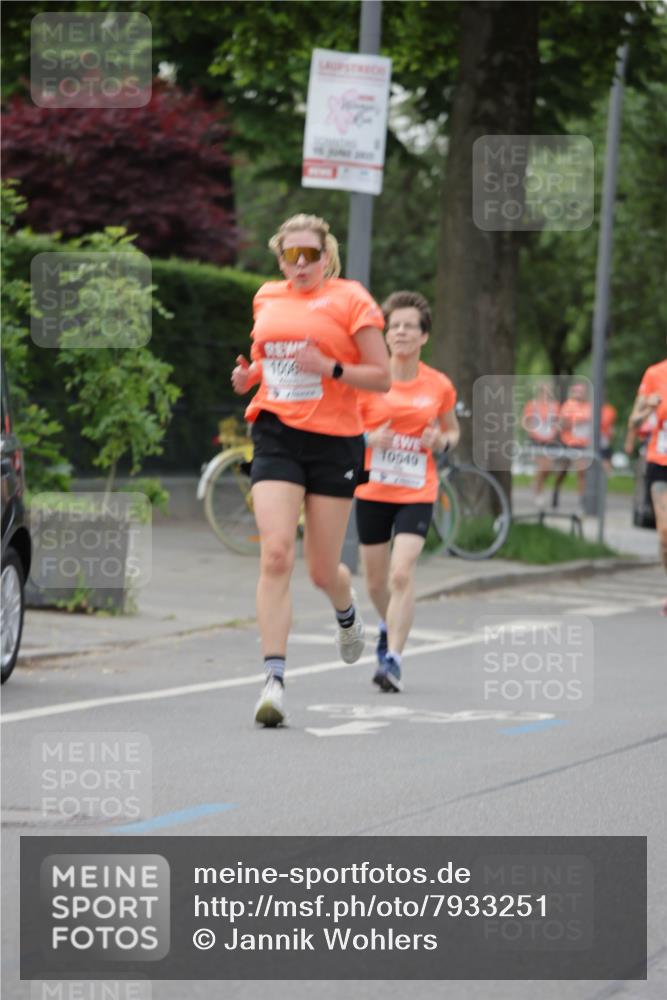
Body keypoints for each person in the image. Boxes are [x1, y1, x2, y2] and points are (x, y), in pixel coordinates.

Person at [231, 213, 390, 727]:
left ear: (328, 257)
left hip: (335, 442)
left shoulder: (351, 299)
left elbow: (382, 377)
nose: (301, 264)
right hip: (277, 432)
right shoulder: (266, 297)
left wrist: (329, 368)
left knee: (322, 570)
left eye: (311, 255)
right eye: (291, 255)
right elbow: (263, 362)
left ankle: (346, 612)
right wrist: (248, 377)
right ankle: (273, 680)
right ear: (280, 258)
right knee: (276, 554)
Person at [354, 291, 459, 693]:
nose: (400, 332)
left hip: (417, 489)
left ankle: (393, 660)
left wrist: (440, 440)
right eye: (394, 325)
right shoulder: (369, 380)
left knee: (402, 573)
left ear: (423, 336)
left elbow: (453, 431)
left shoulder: (438, 385)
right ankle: (387, 624)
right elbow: (346, 429)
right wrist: (368, 437)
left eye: (409, 326)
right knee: (376, 583)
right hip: (373, 489)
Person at [629, 356, 667, 609]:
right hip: (660, 462)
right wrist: (647, 408)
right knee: (665, 532)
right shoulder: (654, 374)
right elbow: (634, 422)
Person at [553, 381, 591, 511]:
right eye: (577, 392)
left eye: (582, 392)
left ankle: (582, 500)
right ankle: (556, 492)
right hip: (568, 443)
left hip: (582, 445)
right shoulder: (568, 406)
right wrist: (573, 422)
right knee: (562, 471)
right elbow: (561, 425)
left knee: (582, 472)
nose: (579, 395)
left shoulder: (588, 407)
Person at [521, 382, 560, 508]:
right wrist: (531, 431)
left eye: (548, 391)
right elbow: (525, 421)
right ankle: (539, 493)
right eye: (544, 391)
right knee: (542, 466)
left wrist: (556, 431)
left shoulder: (555, 406)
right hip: (536, 439)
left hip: (550, 440)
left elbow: (558, 422)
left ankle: (536, 483)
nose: (546, 394)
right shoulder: (532, 405)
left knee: (548, 468)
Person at [600, 401, 617, 473]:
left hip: (604, 438)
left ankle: (606, 473)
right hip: (591, 437)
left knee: (605, 457)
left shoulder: (609, 410)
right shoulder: (589, 407)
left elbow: (611, 427)